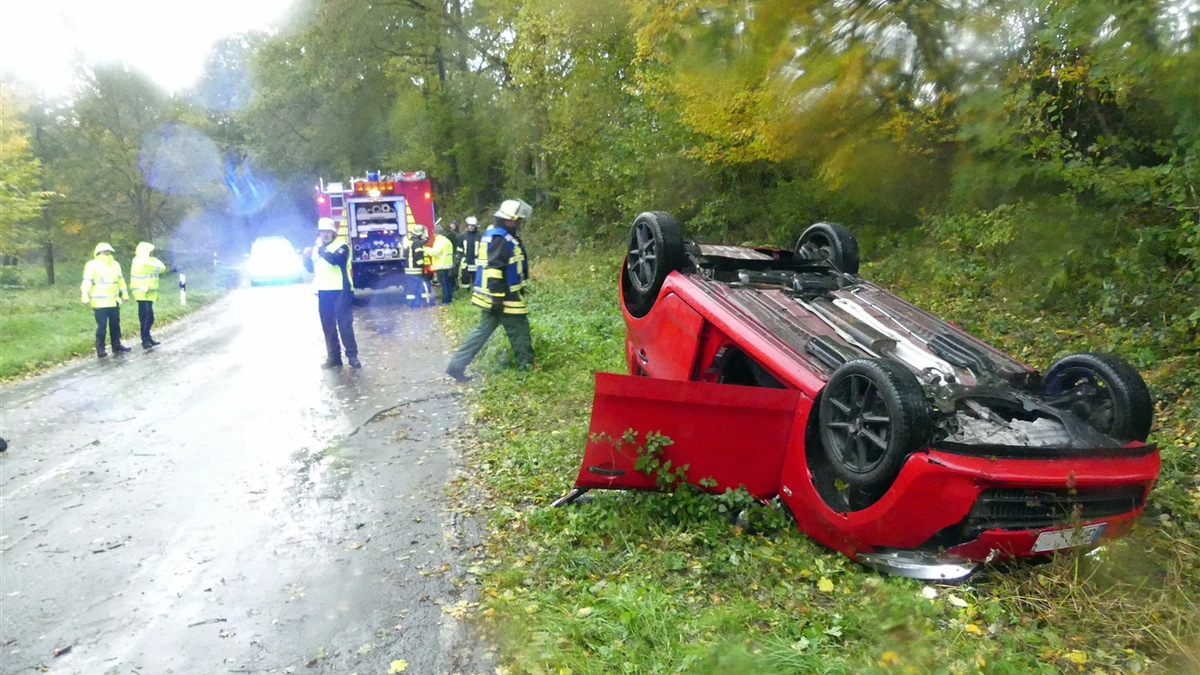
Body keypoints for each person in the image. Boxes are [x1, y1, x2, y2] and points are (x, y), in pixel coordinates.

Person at [445, 199, 534, 382]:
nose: (519, 224)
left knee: (481, 332)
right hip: (504, 296)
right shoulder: (500, 238)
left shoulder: (495, 234)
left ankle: (456, 365)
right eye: (517, 220)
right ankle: (526, 371)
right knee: (520, 331)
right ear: (509, 220)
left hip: (496, 295)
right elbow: (495, 269)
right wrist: (498, 298)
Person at [303, 218, 360, 368]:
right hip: (323, 291)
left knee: (344, 325)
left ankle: (352, 356)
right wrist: (306, 258)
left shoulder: (342, 246)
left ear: (333, 232)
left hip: (341, 290)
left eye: (327, 231)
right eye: (322, 232)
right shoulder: (317, 248)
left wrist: (321, 248)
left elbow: (335, 260)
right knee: (327, 326)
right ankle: (334, 357)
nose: (324, 234)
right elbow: (311, 268)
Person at [81, 242, 132, 358]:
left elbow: (120, 280)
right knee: (101, 327)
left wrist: (124, 293)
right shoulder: (91, 265)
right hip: (100, 302)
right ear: (98, 253)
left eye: (108, 252)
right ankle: (101, 348)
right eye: (104, 252)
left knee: (115, 325)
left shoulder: (115, 264)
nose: (106, 254)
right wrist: (84, 294)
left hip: (114, 301)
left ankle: (116, 345)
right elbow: (87, 281)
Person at [129, 242, 167, 348]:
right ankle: (145, 339)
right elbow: (162, 268)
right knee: (146, 318)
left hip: (147, 293)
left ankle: (148, 338)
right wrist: (154, 259)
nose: (152, 253)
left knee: (149, 317)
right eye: (150, 251)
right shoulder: (142, 262)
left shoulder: (144, 261)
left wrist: (152, 259)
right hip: (143, 293)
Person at [425, 228, 456, 305]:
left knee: (443, 284)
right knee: (448, 283)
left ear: (436, 233)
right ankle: (450, 298)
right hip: (448, 265)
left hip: (441, 266)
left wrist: (425, 249)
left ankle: (446, 301)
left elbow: (435, 252)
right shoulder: (447, 241)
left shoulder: (439, 241)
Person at [457, 216, 481, 288]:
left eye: (472, 226)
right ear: (467, 226)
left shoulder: (480, 236)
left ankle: (475, 290)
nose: (471, 227)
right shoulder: (462, 236)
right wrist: (460, 256)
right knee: (465, 277)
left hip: (476, 261)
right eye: (469, 225)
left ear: (475, 226)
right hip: (466, 261)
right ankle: (465, 292)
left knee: (476, 277)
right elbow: (459, 248)